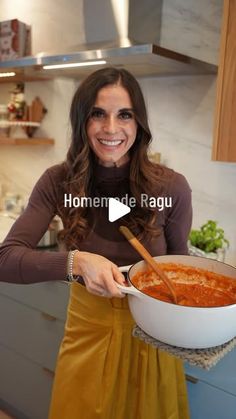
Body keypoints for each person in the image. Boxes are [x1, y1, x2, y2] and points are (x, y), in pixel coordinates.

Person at [0, 67, 192, 419]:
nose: (111, 128)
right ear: (81, 120)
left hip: (153, 343)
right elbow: (5, 260)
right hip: (87, 338)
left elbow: (183, 273)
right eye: (98, 114)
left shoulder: (172, 187)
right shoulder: (57, 181)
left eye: (125, 115)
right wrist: (77, 262)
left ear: (139, 124)